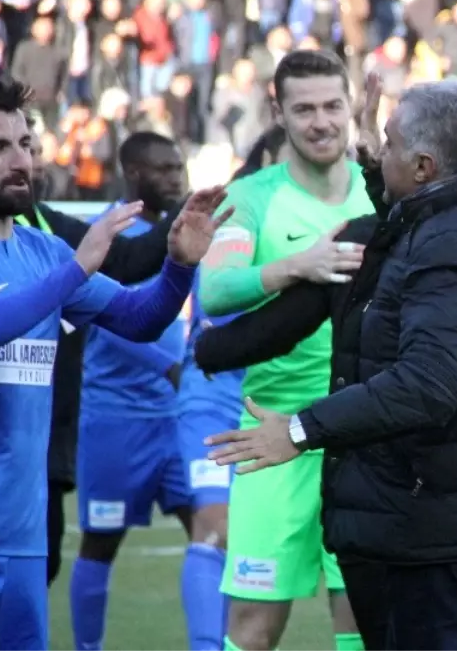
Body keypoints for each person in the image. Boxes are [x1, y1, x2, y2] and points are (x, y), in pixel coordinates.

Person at [203, 78, 457, 651]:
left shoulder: (452, 247)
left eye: (387, 145)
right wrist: (376, 162)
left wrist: (298, 429)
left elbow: (428, 384)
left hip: (436, 530)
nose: (372, 151)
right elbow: (412, 216)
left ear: (423, 166)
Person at [0, 79, 228, 651]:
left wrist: (179, 266)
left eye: (25, 143)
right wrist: (76, 271)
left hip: (22, 539)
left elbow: (138, 318)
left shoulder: (42, 250)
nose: (22, 161)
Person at [198, 50, 372, 651]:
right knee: (252, 627)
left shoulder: (377, 191)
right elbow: (215, 289)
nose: (322, 121)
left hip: (360, 434)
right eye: (305, 109)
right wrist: (299, 265)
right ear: (279, 112)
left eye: (332, 106)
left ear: (351, 108)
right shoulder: (251, 197)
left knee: (360, 619)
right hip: (272, 439)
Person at [17, 123, 184, 588]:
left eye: (30, 147)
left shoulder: (51, 230)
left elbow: (130, 298)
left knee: (38, 572)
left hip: (51, 440)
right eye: (1, 147)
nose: (26, 162)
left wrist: (182, 253)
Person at [69, 132, 194, 649]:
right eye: (164, 169)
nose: (176, 178)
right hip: (116, 419)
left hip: (177, 417)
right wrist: (168, 366)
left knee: (213, 528)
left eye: (179, 167)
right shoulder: (111, 236)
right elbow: (104, 321)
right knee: (100, 543)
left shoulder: (184, 231)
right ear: (135, 174)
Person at [176, 126, 290, 651]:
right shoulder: (232, 213)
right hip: (215, 396)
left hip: (281, 402)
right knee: (215, 527)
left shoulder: (317, 210)